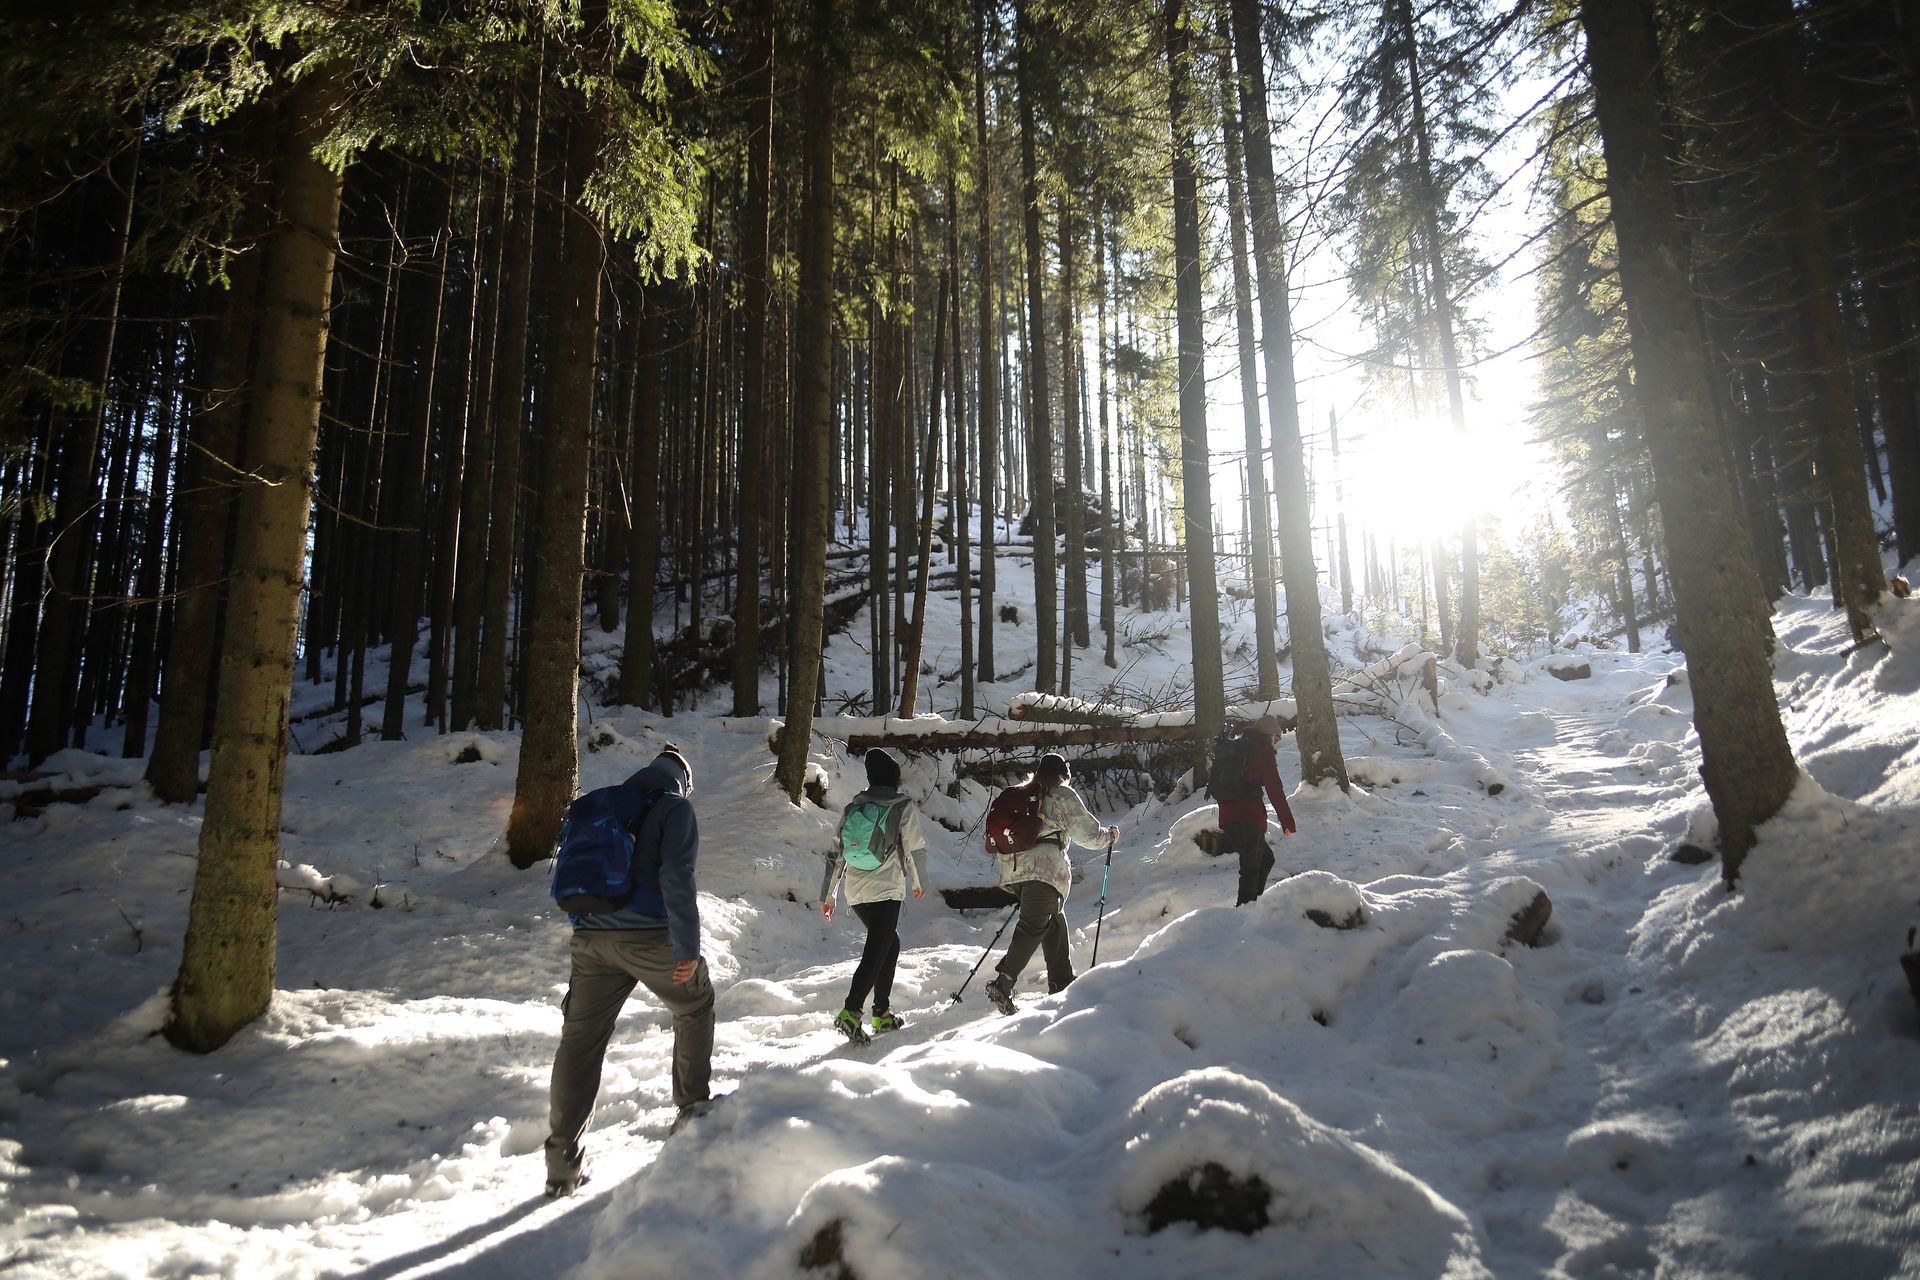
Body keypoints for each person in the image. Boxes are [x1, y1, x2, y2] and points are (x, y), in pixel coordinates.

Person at [544, 748, 713, 1197]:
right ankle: (692, 1112)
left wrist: (588, 929)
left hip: (591, 939)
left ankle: (561, 1161)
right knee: (694, 1004)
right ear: (682, 780)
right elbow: (678, 875)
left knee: (580, 1041)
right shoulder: (675, 808)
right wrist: (688, 947)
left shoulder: (604, 804)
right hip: (652, 936)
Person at [984, 753, 1118, 1015]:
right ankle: (1004, 982)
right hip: (1043, 870)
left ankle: (1062, 981)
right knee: (1033, 925)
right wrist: (1110, 837)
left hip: (1013, 870)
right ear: (1062, 775)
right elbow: (1088, 834)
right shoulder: (1061, 794)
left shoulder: (1024, 794)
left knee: (1054, 920)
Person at [820, 748, 929, 1044]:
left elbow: (836, 852)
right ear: (894, 779)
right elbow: (914, 848)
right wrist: (919, 881)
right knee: (877, 948)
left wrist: (828, 896)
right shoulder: (902, 805)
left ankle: (881, 1012)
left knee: (889, 944)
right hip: (886, 888)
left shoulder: (854, 807)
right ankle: (851, 1011)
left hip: (856, 891)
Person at [1217, 715, 1297, 906]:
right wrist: (1287, 821)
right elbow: (1274, 788)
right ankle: (1244, 913)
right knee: (1251, 868)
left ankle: (1253, 907)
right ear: (1269, 735)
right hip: (1247, 818)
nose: (1275, 743)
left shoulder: (1240, 746)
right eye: (1275, 738)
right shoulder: (1261, 750)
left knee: (1265, 860)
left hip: (1229, 818)